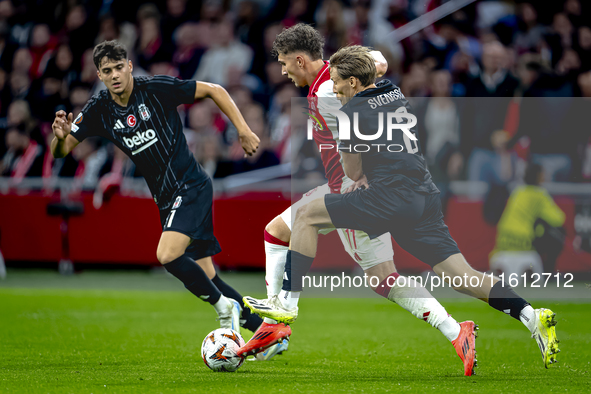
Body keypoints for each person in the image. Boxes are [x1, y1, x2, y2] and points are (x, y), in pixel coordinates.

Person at [247, 45, 560, 371]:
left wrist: (343, 126)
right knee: (462, 276)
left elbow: (353, 173)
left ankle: (286, 305)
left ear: (353, 82)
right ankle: (530, 316)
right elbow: (377, 66)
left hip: (386, 197)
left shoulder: (352, 112)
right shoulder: (391, 90)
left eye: (338, 81)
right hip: (423, 195)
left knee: (308, 217)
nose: (334, 86)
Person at [239, 25, 477, 376]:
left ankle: (281, 315)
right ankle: (457, 332)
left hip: (350, 192)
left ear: (300, 60)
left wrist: (361, 174)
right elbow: (378, 63)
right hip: (347, 185)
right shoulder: (336, 72)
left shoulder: (327, 92)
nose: (283, 71)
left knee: (383, 278)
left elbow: (363, 125)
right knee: (278, 232)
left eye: (285, 64)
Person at [50, 40, 285, 360]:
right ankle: (266, 331)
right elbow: (62, 150)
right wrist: (60, 138)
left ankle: (223, 308)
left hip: (190, 186)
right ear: (100, 75)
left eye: (120, 67)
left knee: (166, 254)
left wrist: (242, 130)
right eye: (108, 71)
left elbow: (215, 89)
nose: (116, 75)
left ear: (130, 66)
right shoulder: (99, 109)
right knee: (207, 274)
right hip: (166, 198)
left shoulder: (156, 88)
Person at [491, 163, 566, 276]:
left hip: (503, 241)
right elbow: (559, 219)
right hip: (524, 243)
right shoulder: (540, 195)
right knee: (558, 233)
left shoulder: (517, 191)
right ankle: (549, 273)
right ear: (539, 176)